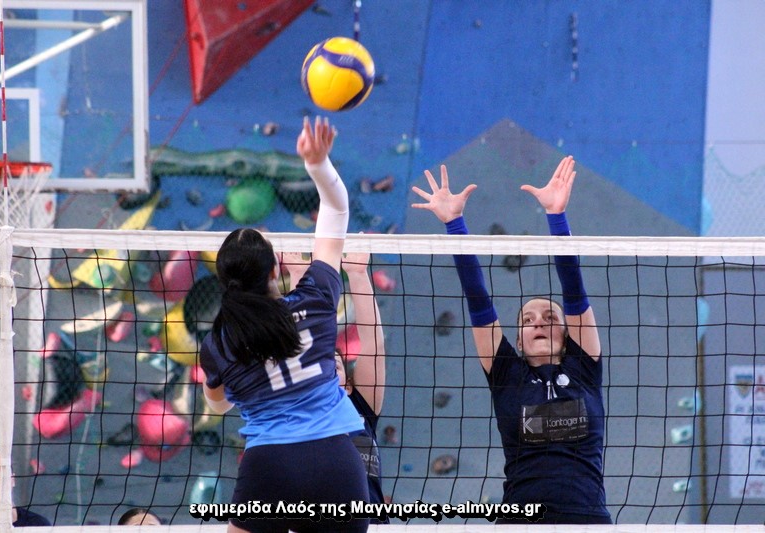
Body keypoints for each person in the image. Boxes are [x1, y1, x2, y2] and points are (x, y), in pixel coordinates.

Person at [411, 156, 612, 524]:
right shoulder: (507, 374)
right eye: (528, 320)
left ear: (569, 334)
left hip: (585, 520)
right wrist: (454, 223)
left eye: (550, 318)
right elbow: (478, 300)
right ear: (518, 340)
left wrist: (556, 216)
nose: (539, 323)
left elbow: (574, 290)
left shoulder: (584, 367)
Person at [200, 116, 369, 533]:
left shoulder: (218, 342)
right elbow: (337, 209)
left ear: (224, 281)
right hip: (335, 463)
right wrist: (317, 164)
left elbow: (217, 405)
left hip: (268, 467)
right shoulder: (316, 298)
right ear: (275, 270)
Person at [283, 250, 387, 521]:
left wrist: (357, 273)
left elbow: (373, 345)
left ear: (348, 385)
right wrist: (298, 275)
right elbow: (301, 349)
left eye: (335, 366)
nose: (326, 368)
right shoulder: (300, 406)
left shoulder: (361, 406)